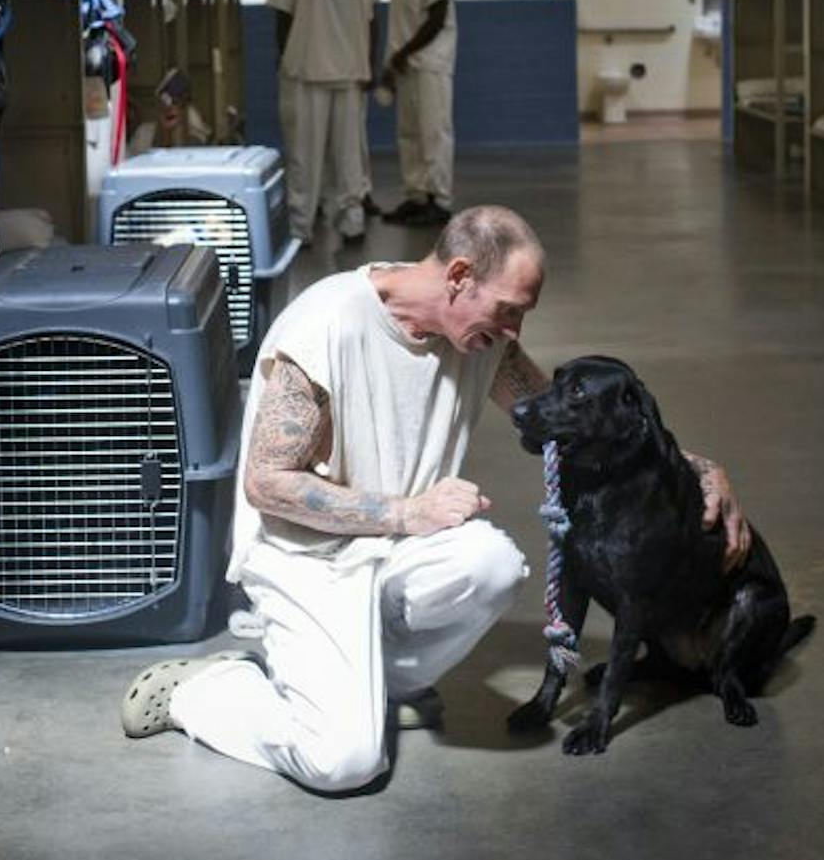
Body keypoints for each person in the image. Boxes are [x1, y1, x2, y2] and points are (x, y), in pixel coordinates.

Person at [119, 205, 750, 794]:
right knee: (344, 763)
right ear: (458, 276)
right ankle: (205, 692)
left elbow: (567, 420)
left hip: (399, 551)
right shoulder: (327, 323)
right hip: (305, 559)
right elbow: (267, 483)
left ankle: (385, 683)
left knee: (494, 566)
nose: (514, 329)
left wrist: (696, 468)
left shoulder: (483, 340)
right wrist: (404, 512)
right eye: (508, 310)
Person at [267, 0, 381, 243]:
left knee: (304, 155)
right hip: (349, 71)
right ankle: (352, 223)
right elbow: (372, 20)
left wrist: (286, 57)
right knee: (348, 155)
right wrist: (368, 66)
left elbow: (283, 17)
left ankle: (301, 228)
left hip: (307, 71)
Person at [380, 0, 456, 226]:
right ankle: (416, 195)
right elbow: (400, 23)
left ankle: (440, 199)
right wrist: (392, 61)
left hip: (430, 62)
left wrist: (405, 52)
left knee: (433, 131)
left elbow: (437, 18)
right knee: (409, 133)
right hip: (407, 62)